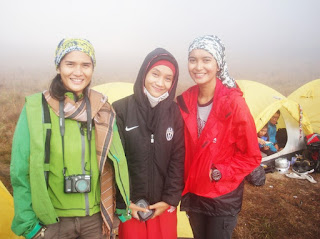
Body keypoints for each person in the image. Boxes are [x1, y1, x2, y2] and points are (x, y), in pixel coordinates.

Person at [10, 38, 131, 239]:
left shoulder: (102, 108)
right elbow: (19, 171)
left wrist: (119, 207)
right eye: (70, 64)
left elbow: (118, 162)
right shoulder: (35, 108)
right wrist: (30, 226)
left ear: (93, 68)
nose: (78, 72)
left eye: (85, 65)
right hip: (51, 222)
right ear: (58, 67)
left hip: (95, 220)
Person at [176, 35, 261, 239]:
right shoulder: (185, 100)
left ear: (218, 64)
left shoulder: (233, 104)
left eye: (206, 60)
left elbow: (251, 156)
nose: (198, 66)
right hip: (194, 193)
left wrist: (219, 171)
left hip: (222, 195)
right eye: (192, 59)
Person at [112, 48, 185, 239]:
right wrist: (124, 201)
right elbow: (116, 161)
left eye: (168, 78)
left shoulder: (174, 113)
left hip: (162, 207)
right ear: (144, 72)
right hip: (133, 206)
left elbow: (178, 160)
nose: (160, 83)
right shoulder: (121, 109)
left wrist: (169, 200)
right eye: (155, 74)